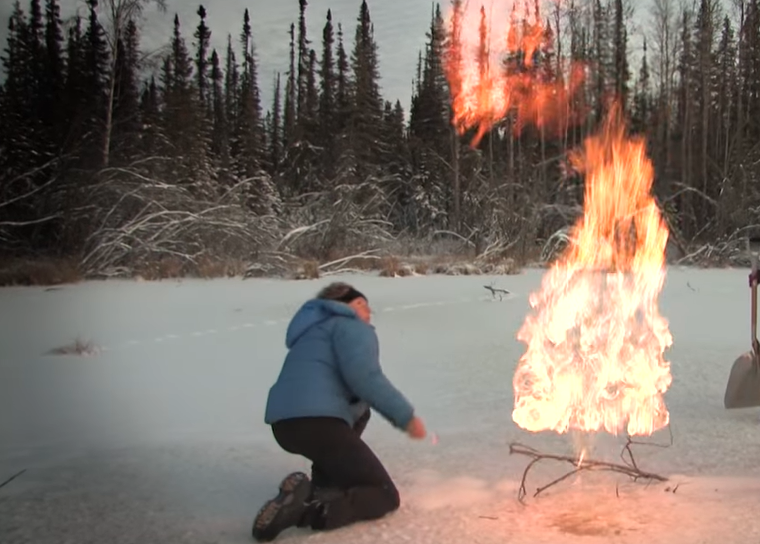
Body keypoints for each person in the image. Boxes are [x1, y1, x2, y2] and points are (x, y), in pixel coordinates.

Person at [252, 282, 427, 542]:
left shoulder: (312, 332)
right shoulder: (352, 327)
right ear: (346, 307)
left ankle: (324, 485)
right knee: (383, 496)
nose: (368, 312)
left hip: (284, 426)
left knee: (359, 411)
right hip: (318, 423)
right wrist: (405, 417)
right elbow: (365, 379)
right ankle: (305, 511)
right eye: (361, 305)